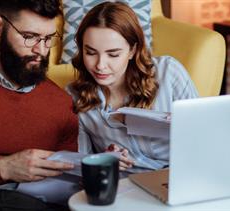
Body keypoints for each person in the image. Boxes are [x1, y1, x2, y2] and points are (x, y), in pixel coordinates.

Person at [68, 2, 198, 173]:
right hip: (125, 188)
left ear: (132, 50)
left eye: (113, 54)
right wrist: (104, 160)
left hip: (180, 176)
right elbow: (82, 165)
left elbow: (204, 136)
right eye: (90, 53)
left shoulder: (169, 73)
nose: (100, 65)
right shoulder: (75, 97)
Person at [0, 0, 78, 209]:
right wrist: (4, 168)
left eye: (48, 38)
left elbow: (68, 175)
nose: (41, 50)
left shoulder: (61, 103)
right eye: (29, 37)